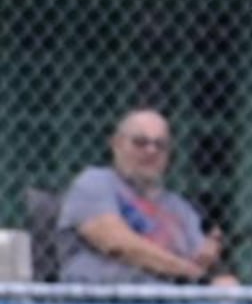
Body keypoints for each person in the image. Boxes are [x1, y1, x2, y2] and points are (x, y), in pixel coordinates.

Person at [55, 107, 237, 288]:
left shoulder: (180, 208)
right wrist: (186, 269)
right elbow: (116, 243)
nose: (151, 151)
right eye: (140, 142)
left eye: (160, 145)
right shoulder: (95, 182)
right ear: (116, 144)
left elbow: (202, 262)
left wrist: (211, 263)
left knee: (227, 285)